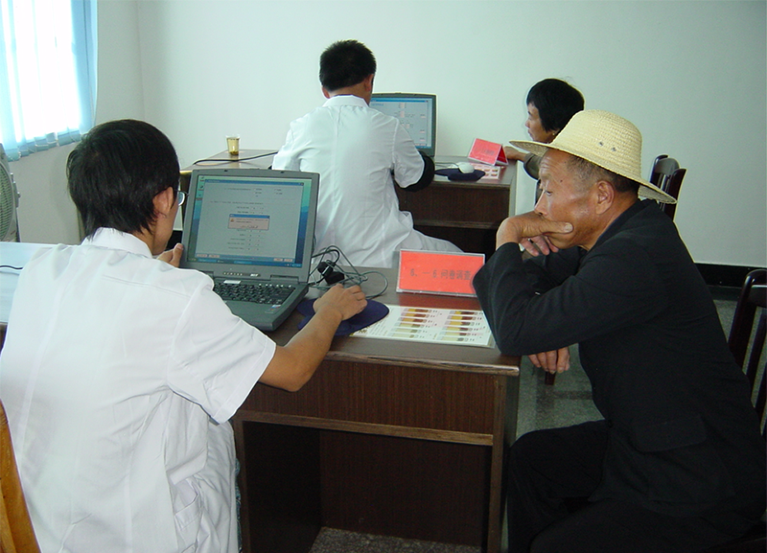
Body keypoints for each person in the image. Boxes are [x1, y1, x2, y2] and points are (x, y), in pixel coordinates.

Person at [0, 119, 367, 553]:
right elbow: (292, 371)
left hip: (33, 522)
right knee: (217, 434)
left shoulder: (45, 269)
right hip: (128, 535)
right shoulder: (176, 297)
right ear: (165, 199)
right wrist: (328, 311)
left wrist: (156, 277)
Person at [473, 110, 766, 552]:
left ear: (602, 195)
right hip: (651, 436)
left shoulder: (634, 256)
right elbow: (536, 281)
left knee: (555, 546)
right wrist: (549, 322)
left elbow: (515, 327)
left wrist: (508, 234)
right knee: (532, 460)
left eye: (549, 190)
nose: (539, 208)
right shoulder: (616, 234)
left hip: (699, 474)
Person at [272, 39, 461, 268]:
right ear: (369, 80)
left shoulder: (300, 127)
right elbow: (415, 179)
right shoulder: (387, 126)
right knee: (460, 256)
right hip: (381, 260)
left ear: (324, 89)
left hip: (319, 264)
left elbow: (279, 181)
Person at [504, 78, 584, 181]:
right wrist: (518, 155)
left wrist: (518, 155)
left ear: (554, 125)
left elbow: (544, 166)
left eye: (531, 116)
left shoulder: (566, 168)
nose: (526, 124)